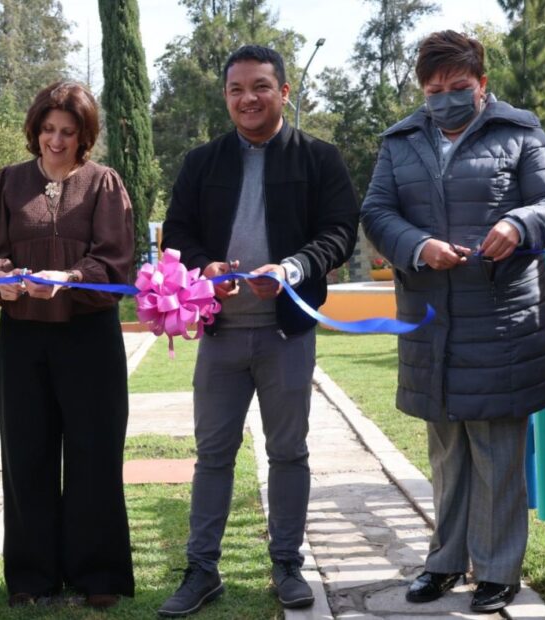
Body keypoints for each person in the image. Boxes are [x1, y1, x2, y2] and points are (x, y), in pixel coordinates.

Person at [361, 30, 545, 613]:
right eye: (434, 91)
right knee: (447, 453)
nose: (446, 99)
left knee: (498, 452)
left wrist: (519, 224)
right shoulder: (401, 141)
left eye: (458, 87)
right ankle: (445, 562)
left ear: (482, 83)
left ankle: (498, 571)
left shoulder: (519, 132)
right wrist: (418, 245)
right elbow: (376, 212)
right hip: (431, 322)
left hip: (502, 323)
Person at [159, 45, 359, 616]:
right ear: (226, 96)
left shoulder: (319, 158)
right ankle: (202, 569)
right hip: (220, 336)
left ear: (284, 92)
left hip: (286, 335)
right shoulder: (202, 162)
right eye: (236, 89)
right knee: (212, 455)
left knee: (288, 452)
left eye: (260, 87)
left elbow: (339, 231)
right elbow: (178, 231)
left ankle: (287, 565)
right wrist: (205, 267)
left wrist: (293, 269)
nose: (248, 98)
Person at [0, 81, 135, 609]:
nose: (56, 141)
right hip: (23, 335)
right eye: (48, 129)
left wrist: (70, 277)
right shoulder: (8, 182)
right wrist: (3, 279)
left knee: (94, 451)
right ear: (35, 130)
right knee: (26, 453)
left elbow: (116, 262)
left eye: (68, 131)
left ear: (84, 135)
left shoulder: (104, 183)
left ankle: (99, 574)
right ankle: (32, 575)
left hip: (89, 336)